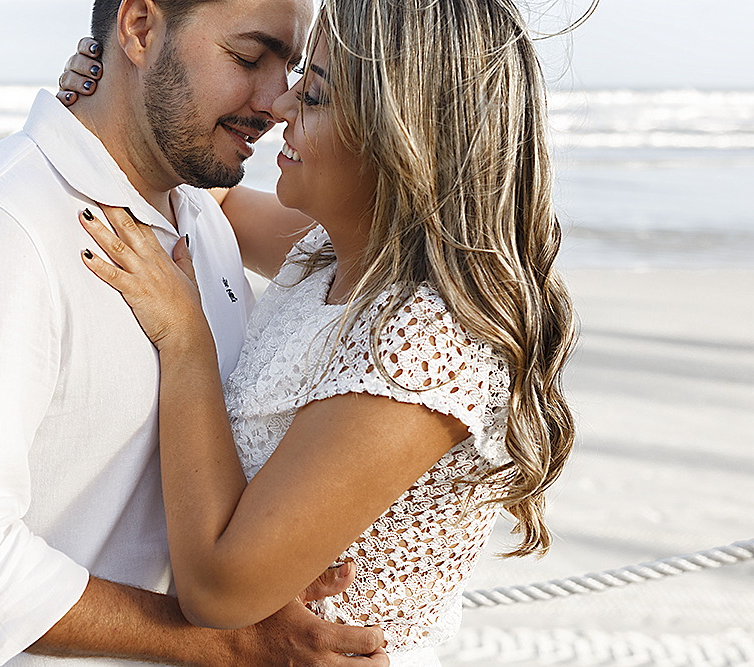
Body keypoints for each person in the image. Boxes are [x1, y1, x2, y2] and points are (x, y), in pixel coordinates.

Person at [0, 0, 389, 664]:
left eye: (290, 66)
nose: (276, 101)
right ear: (141, 27)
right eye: (247, 57)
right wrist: (230, 644)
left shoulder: (201, 213)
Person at [74, 0, 578, 664]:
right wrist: (115, 89)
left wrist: (186, 339)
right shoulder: (334, 256)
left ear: (401, 138)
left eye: (313, 94)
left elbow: (218, 591)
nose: (279, 106)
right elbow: (204, 191)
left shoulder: (421, 347)